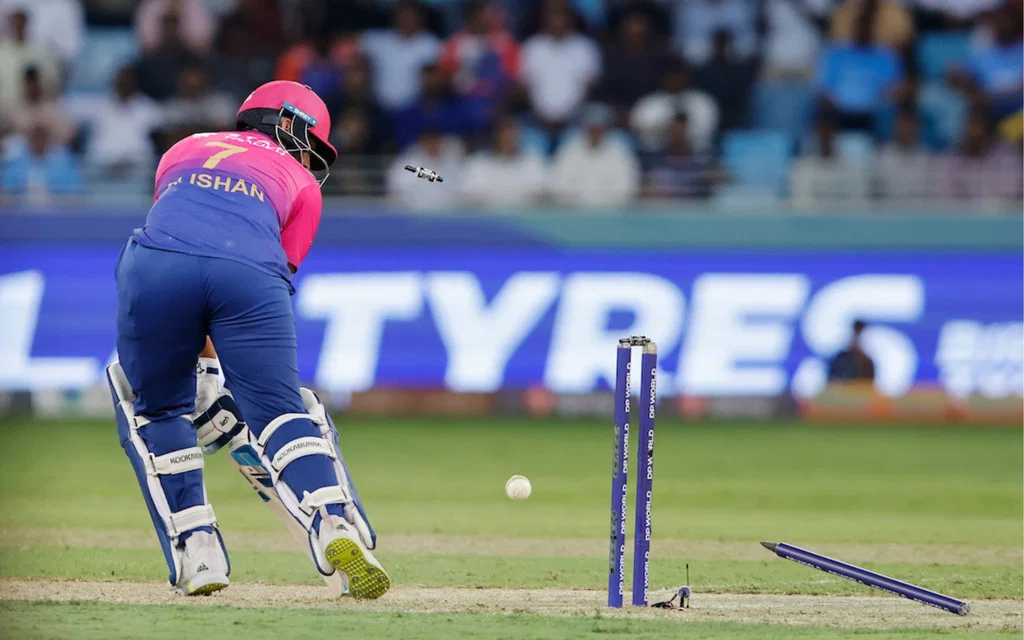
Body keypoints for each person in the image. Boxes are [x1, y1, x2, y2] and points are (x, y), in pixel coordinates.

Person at [106, 81, 388, 599]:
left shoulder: (181, 149)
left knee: (156, 408)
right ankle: (331, 519)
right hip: (250, 276)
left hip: (155, 267)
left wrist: (204, 372)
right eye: (313, 145)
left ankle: (199, 550)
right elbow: (247, 268)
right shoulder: (302, 183)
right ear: (286, 125)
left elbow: (185, 241)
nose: (313, 159)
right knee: (283, 412)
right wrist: (218, 368)